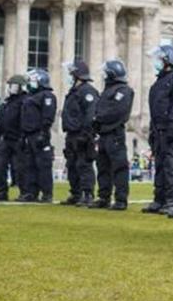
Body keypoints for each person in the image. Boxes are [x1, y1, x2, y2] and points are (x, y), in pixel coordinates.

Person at [144, 46, 173, 215]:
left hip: (172, 129)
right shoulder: (159, 82)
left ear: (167, 60)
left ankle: (172, 199)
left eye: (159, 59)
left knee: (171, 164)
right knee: (160, 164)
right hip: (159, 129)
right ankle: (159, 198)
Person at [92, 59, 134, 210]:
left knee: (119, 167)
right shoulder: (107, 90)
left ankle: (121, 199)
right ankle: (104, 197)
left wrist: (99, 118)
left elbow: (118, 112)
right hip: (103, 134)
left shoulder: (123, 90)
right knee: (102, 166)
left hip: (114, 133)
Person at [61, 61, 99, 206]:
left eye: (71, 74)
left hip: (82, 134)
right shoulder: (74, 92)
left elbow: (90, 114)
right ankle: (75, 193)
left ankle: (88, 193)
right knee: (72, 164)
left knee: (84, 164)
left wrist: (86, 133)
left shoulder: (87, 91)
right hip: (71, 133)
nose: (69, 77)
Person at [21, 69, 58, 203]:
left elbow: (48, 116)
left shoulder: (47, 96)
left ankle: (47, 193)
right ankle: (31, 192)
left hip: (39, 134)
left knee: (43, 165)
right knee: (30, 165)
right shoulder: (30, 97)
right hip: (29, 134)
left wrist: (43, 132)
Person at [0, 75, 28, 201]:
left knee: (20, 167)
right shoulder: (7, 102)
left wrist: (23, 136)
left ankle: (24, 192)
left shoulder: (25, 101)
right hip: (6, 139)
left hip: (18, 138)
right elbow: (1, 121)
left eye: (12, 85)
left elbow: (26, 120)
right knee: (0, 166)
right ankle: (2, 191)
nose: (9, 88)